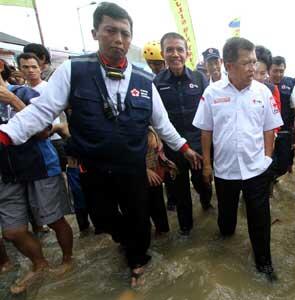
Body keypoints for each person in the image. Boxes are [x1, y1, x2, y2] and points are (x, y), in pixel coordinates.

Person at [0, 2, 201, 287]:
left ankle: (138, 261)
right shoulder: (73, 70)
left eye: (125, 33)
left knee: (139, 218)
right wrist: (5, 135)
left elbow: (163, 123)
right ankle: (126, 240)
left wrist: (184, 148)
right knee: (102, 219)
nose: (118, 39)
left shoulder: (145, 80)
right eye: (111, 31)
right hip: (93, 166)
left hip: (132, 168)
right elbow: (41, 111)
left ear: (131, 38)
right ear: (96, 33)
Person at [193, 37, 283, 280]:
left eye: (254, 62)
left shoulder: (263, 92)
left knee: (260, 220)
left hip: (256, 170)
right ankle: (225, 242)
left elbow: (269, 128)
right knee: (226, 221)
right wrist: (207, 164)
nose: (253, 68)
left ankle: (264, 264)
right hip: (225, 171)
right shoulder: (212, 93)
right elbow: (206, 130)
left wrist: (267, 158)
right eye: (247, 63)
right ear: (229, 65)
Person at [0, 62, 71, 294]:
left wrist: (12, 100)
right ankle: (40, 264)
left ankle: (68, 260)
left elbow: (43, 130)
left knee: (55, 220)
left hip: (40, 167)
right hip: (8, 174)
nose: (30, 70)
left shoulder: (24, 93)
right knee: (12, 232)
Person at [153, 32, 213, 236]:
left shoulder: (200, 78)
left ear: (187, 53)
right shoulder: (157, 83)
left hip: (199, 144)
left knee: (202, 183)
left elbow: (210, 113)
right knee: (179, 191)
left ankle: (207, 205)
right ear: (163, 53)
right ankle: (186, 229)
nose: (175, 54)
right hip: (172, 148)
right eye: (170, 50)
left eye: (179, 49)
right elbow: (154, 119)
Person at [268, 56, 295, 180]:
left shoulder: (290, 85)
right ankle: (266, 184)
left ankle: (273, 178)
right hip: (267, 132)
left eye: (281, 71)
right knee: (267, 161)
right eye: (275, 70)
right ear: (269, 70)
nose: (278, 74)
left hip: (284, 132)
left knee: (283, 165)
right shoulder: (261, 85)